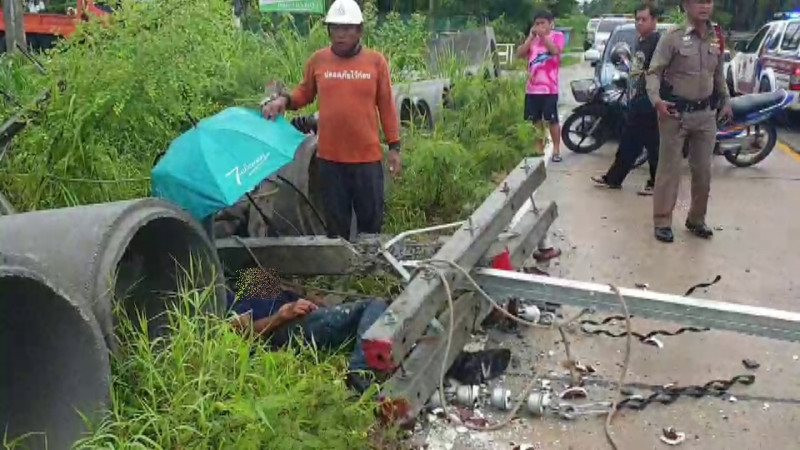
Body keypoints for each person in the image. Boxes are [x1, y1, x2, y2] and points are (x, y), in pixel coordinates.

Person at [261, 0, 401, 240]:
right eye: (335, 28)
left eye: (347, 28)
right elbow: (304, 93)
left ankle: (368, 274)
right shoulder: (318, 60)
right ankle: (344, 275)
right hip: (330, 160)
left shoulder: (376, 62)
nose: (340, 34)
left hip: (367, 160)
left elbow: (387, 105)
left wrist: (395, 147)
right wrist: (283, 100)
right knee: (336, 227)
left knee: (371, 226)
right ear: (328, 31)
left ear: (359, 30)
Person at [645, 0, 732, 243]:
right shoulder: (672, 37)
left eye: (709, 1)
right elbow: (653, 73)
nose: (705, 6)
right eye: (698, 2)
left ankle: (696, 220)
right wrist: (657, 101)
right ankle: (662, 221)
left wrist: (725, 100)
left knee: (703, 172)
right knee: (669, 172)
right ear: (686, 5)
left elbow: (718, 74)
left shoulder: (716, 37)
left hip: (705, 115)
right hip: (675, 115)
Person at [227, 268, 388, 393]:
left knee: (377, 308)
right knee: (374, 305)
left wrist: (314, 303)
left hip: (308, 320)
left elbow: (314, 303)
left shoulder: (282, 293)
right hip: (283, 330)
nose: (267, 277)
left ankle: (372, 362)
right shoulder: (246, 301)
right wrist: (281, 316)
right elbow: (240, 330)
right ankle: (359, 373)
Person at [592, 3, 662, 195]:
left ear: (655, 21)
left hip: (650, 101)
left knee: (654, 145)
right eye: (637, 19)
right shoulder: (640, 41)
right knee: (630, 143)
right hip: (636, 100)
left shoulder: (658, 42)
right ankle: (614, 178)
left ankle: (657, 184)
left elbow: (658, 71)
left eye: (644, 19)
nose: (640, 23)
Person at [516, 10, 566, 163]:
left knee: (552, 120)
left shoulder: (557, 36)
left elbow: (555, 51)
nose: (539, 26)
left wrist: (544, 36)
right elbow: (520, 54)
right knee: (535, 120)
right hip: (532, 88)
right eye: (537, 23)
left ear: (551, 24)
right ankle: (539, 147)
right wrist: (531, 37)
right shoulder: (532, 39)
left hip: (550, 88)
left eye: (542, 23)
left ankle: (556, 149)